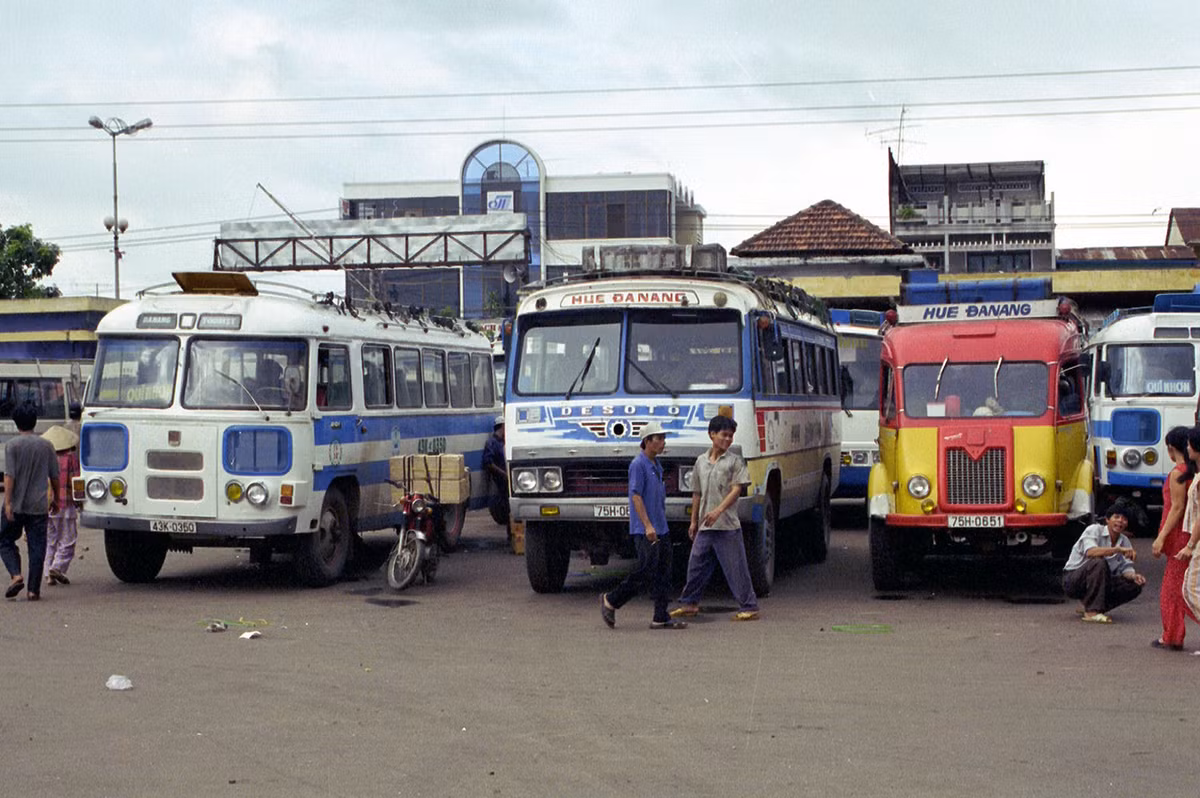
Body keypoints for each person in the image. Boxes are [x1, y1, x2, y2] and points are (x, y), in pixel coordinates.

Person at [670, 415, 761, 622]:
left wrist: (719, 510)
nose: (727, 440)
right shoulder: (701, 462)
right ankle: (689, 603)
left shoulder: (734, 462)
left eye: (730, 436)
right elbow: (696, 493)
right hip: (705, 525)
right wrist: (693, 521)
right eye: (724, 435)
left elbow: (737, 489)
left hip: (727, 525)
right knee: (696, 563)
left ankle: (749, 606)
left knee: (736, 567)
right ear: (712, 435)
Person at [600, 422, 685, 630]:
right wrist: (647, 525)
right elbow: (635, 496)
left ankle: (661, 616)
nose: (663, 443)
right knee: (647, 569)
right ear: (647, 441)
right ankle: (612, 600)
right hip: (646, 529)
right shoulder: (638, 465)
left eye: (664, 439)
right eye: (659, 439)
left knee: (665, 571)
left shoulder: (656, 464)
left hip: (661, 527)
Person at [1, 401, 61, 601]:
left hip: (16, 504)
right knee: (37, 547)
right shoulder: (47, 445)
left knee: (4, 539)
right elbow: (54, 476)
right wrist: (57, 499)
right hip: (38, 506)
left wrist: (8, 503)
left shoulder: (12, 445)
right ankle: (33, 590)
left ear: (16, 422)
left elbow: (9, 476)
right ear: (35, 422)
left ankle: (16, 575)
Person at [1062, 498, 1146, 623]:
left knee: (1134, 586)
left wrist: (1134, 576)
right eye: (1116, 517)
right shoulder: (1094, 530)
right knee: (1099, 562)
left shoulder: (1124, 541)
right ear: (1107, 520)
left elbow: (1125, 568)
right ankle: (1092, 612)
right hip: (1073, 580)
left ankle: (1089, 604)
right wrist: (1116, 550)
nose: (1120, 521)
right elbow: (1091, 552)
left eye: (1124, 519)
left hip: (1100, 581)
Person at [1150, 426, 1196, 649]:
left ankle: (1172, 635)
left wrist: (1161, 537)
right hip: (1188, 533)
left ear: (1170, 448)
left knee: (1174, 590)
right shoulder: (1192, 472)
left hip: (1179, 534)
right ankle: (1173, 633)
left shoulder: (1178, 473)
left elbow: (1176, 508)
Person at [42, 425, 80, 587]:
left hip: (46, 506)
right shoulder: (70, 458)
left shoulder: (44, 458)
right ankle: (57, 567)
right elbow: (76, 482)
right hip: (65, 505)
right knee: (68, 541)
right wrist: (80, 503)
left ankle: (47, 573)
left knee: (50, 541)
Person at [483, 416, 509, 526]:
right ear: (503, 426)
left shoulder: (504, 442)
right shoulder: (492, 443)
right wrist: (503, 474)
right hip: (499, 480)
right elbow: (488, 463)